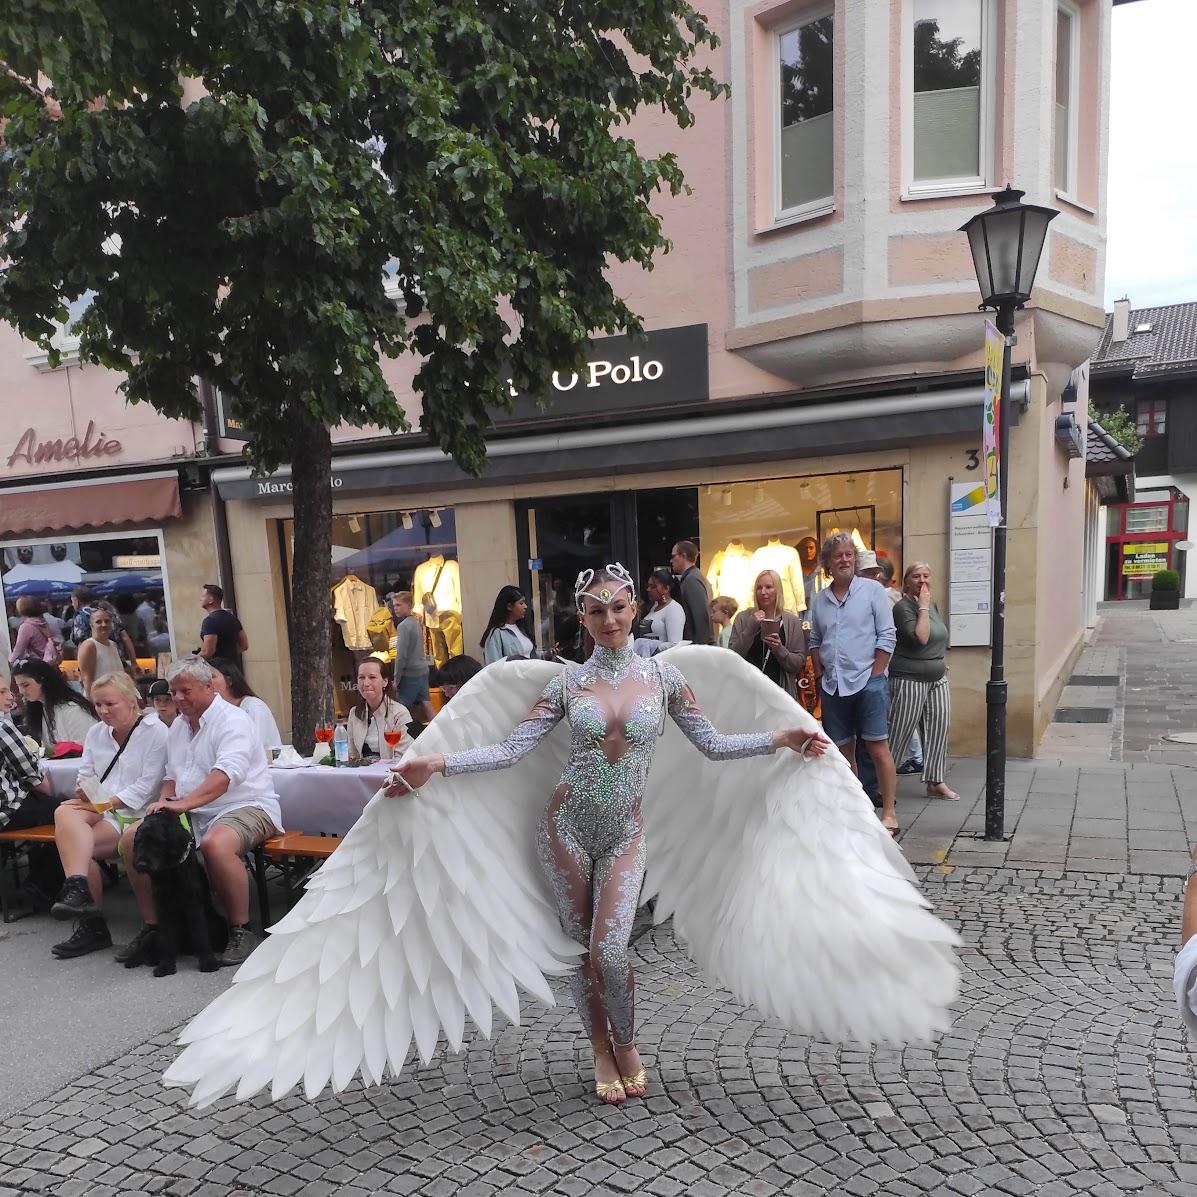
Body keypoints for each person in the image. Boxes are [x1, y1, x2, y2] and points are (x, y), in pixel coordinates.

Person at [384, 563, 829, 1104]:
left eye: (618, 607)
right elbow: (510, 750)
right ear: (585, 618)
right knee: (580, 952)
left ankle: (627, 1042)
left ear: (633, 608)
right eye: (597, 610)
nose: (610, 618)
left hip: (625, 835)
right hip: (565, 831)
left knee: (610, 952)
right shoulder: (567, 682)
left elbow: (711, 743)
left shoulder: (665, 679)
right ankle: (600, 1049)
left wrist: (781, 737)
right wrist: (435, 763)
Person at [118, 657, 283, 967]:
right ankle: (154, 927)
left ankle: (241, 929)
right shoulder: (179, 726)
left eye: (185, 691)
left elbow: (225, 776)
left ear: (209, 687)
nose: (177, 698)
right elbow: (170, 777)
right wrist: (164, 802)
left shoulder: (233, 720)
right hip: (194, 808)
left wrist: (181, 804)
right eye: (173, 692)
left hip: (245, 805)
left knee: (214, 844)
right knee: (132, 838)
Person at [48, 672, 169, 959]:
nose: (103, 711)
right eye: (98, 705)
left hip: (142, 813)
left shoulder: (155, 731)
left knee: (73, 828)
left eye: (109, 704)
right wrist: (84, 791)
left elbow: (146, 787)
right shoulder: (96, 733)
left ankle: (149, 926)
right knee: (66, 816)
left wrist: (101, 804)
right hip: (107, 812)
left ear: (131, 701)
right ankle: (87, 910)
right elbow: (86, 775)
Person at [807, 533, 900, 836]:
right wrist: (820, 675)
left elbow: (887, 635)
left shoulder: (873, 591)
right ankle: (857, 811)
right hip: (834, 686)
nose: (844, 560)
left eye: (849, 554)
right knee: (843, 752)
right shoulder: (819, 599)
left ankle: (889, 812)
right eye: (838, 556)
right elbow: (815, 640)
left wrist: (876, 674)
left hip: (868, 682)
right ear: (828, 564)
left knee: (877, 748)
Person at [888, 564, 958, 802]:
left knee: (939, 727)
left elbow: (938, 638)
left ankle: (935, 781)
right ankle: (882, 782)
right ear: (907, 581)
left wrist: (939, 660)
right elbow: (921, 637)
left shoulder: (933, 605)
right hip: (909, 678)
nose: (922, 580)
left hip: (937, 676)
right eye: (916, 576)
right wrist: (924, 607)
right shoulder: (903, 607)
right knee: (900, 730)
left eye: (926, 576)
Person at [0, 669, 63, 900]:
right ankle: (41, 882)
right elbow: (35, 778)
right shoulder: (3, 728)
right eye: (2, 691)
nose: (11, 697)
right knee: (65, 811)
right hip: (7, 813)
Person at [728, 570, 807, 699]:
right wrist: (750, 628)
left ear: (778, 590)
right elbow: (733, 656)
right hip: (748, 694)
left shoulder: (791, 621)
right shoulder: (743, 618)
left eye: (769, 587)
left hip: (780, 695)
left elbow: (797, 664)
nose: (763, 592)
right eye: (759, 588)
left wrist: (779, 649)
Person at [11, 658, 98, 751]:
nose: (21, 691)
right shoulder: (42, 709)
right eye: (19, 686)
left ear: (42, 680)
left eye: (25, 685)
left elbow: (86, 747)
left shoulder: (73, 710)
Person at [209, 659, 282, 758]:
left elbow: (255, 748)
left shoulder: (254, 707)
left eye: (212, 677)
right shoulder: (213, 713)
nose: (207, 683)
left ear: (229, 680)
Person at [347, 656, 413, 760]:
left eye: (372, 677)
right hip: (360, 773)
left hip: (390, 773)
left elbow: (403, 757)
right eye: (361, 677)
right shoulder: (354, 713)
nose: (366, 683)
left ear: (385, 682)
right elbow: (352, 755)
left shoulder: (400, 713)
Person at [389, 591, 435, 723]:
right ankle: (440, 733)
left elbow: (401, 656)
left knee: (401, 710)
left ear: (408, 605)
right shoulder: (416, 622)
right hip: (422, 670)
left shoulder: (403, 626)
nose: (395, 608)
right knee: (427, 704)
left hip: (410, 674)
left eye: (398, 605)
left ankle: (408, 738)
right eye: (394, 605)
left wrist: (396, 680)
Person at [78, 608, 134, 698]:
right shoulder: (89, 646)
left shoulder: (113, 645)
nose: (104, 625)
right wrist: (94, 706)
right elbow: (87, 680)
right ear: (91, 625)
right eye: (98, 622)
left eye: (107, 621)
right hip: (101, 702)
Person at [670, 540, 713, 645]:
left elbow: (701, 616)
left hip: (698, 647)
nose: (671, 561)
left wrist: (699, 648)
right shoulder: (695, 576)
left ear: (683, 556)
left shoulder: (692, 579)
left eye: (673, 556)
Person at [481, 586, 536, 664]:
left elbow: (531, 656)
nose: (525, 606)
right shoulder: (497, 633)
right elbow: (493, 666)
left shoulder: (522, 629)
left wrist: (548, 654)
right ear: (509, 606)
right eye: (521, 603)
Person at [198, 584, 247, 663]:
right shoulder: (232, 618)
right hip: (234, 669)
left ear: (211, 600)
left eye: (203, 596)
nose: (200, 599)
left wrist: (191, 661)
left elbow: (207, 652)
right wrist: (228, 655)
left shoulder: (210, 621)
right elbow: (244, 645)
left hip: (217, 670)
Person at [9, 597, 60, 666]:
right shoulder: (42, 622)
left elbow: (18, 650)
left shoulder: (26, 627)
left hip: (38, 665)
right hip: (49, 660)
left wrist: (10, 661)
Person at [642, 569, 685, 647]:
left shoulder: (674, 609)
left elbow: (675, 644)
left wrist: (653, 648)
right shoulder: (654, 607)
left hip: (662, 658)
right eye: (648, 586)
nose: (648, 589)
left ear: (666, 589)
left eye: (653, 586)